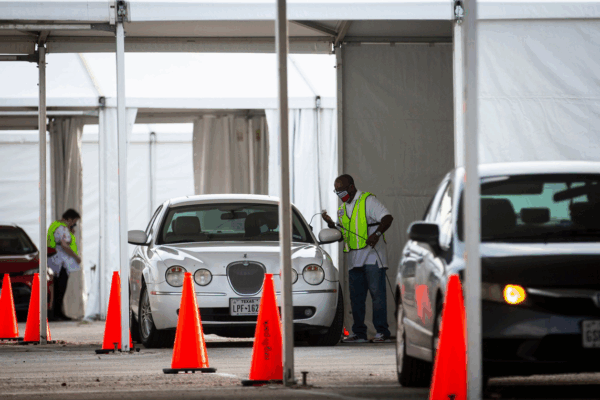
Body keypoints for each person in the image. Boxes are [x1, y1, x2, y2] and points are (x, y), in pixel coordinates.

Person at [322, 174, 394, 343]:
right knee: (356, 298)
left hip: (372, 256)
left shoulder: (367, 200)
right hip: (354, 259)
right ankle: (359, 333)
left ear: (352, 187)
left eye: (341, 190)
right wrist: (332, 225)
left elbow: (387, 218)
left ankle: (382, 332)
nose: (339, 194)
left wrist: (376, 234)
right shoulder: (341, 210)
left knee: (377, 295)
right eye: (337, 191)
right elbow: (343, 236)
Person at [47, 209, 81, 320]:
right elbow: (64, 245)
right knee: (60, 289)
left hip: (53, 262)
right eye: (74, 222)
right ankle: (56, 314)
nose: (74, 225)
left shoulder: (55, 225)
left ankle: (56, 313)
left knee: (56, 289)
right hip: (60, 263)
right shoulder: (62, 228)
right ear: (69, 219)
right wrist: (76, 257)